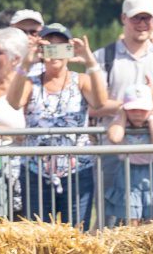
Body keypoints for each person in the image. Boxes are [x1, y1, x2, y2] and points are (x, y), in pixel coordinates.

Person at [7, 24, 106, 226]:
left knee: (77, 236)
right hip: (35, 172)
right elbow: (13, 101)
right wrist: (26, 62)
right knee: (39, 237)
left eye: (61, 47)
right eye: (49, 47)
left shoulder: (81, 80)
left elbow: (100, 102)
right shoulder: (30, 83)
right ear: (41, 52)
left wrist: (90, 60)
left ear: (70, 51)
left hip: (77, 171)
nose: (55, 54)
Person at [102, 90, 153, 226]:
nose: (138, 114)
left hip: (151, 172)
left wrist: (151, 118)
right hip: (128, 172)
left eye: (142, 110)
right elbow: (115, 137)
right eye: (132, 110)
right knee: (131, 216)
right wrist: (122, 115)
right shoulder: (121, 122)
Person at [0, 27, 29, 220]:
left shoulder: (27, 88)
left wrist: (5, 132)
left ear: (15, 59)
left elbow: (36, 130)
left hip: (16, 174)